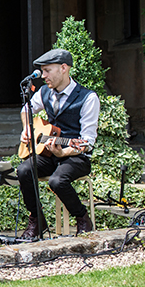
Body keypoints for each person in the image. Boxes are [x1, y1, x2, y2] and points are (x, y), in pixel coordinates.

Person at [17, 48, 100, 239]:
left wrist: (64, 153)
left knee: (57, 181)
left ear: (63, 68)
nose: (43, 76)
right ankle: (37, 221)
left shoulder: (88, 98)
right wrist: (26, 129)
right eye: (42, 71)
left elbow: (87, 142)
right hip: (49, 153)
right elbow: (25, 110)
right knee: (24, 170)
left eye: (47, 70)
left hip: (76, 156)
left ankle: (82, 219)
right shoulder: (44, 92)